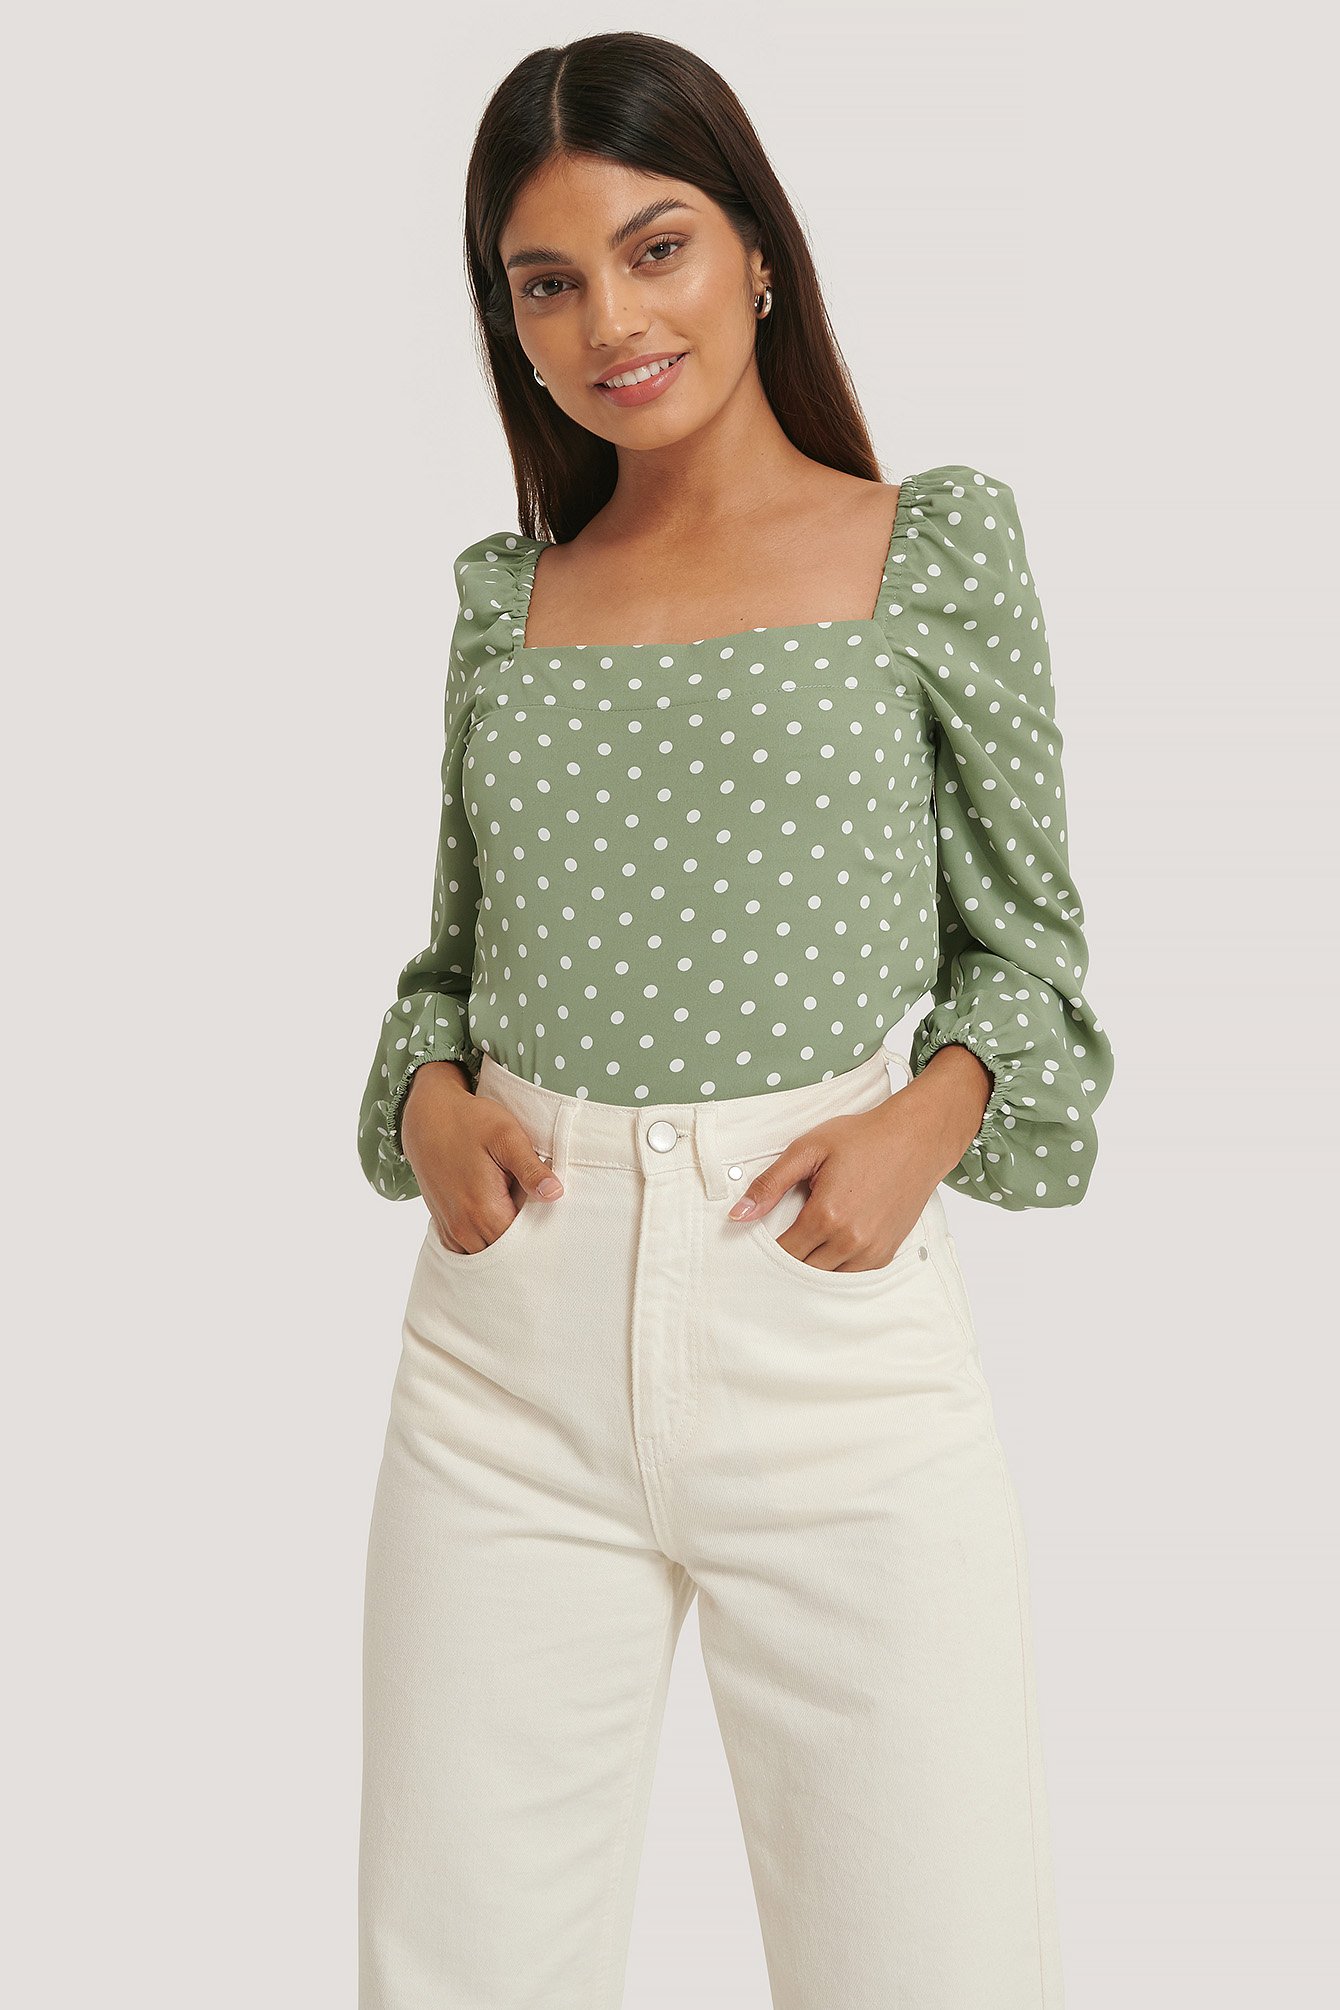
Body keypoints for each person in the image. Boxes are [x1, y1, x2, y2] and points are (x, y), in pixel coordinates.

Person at [354, 30, 1113, 2010]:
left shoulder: (926, 550)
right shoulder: (511, 602)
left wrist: (928, 1119)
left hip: (825, 1333)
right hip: (504, 1365)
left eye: (656, 247)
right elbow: (447, 972)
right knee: (459, 1973)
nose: (610, 321)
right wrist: (429, 1107)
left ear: (757, 251)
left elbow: (1028, 958)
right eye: (546, 281)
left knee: (934, 1964)